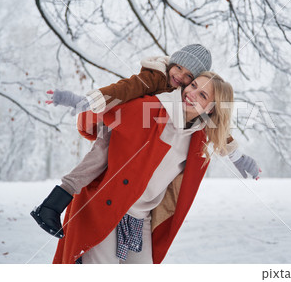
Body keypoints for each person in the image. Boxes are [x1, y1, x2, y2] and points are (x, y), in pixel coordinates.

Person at [31, 45, 260, 241]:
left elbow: (215, 126)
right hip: (120, 124)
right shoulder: (156, 76)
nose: (180, 76)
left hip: (138, 136)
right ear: (172, 62)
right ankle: (52, 204)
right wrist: (87, 100)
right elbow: (124, 88)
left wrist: (238, 158)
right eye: (178, 67)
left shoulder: (189, 99)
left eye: (189, 76)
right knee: (99, 158)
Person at [53, 72, 235, 263]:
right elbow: (106, 112)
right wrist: (81, 102)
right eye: (193, 85)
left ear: (211, 109)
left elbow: (222, 135)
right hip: (106, 205)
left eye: (203, 95)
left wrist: (239, 157)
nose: (191, 93)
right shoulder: (152, 108)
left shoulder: (198, 140)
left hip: (141, 218)